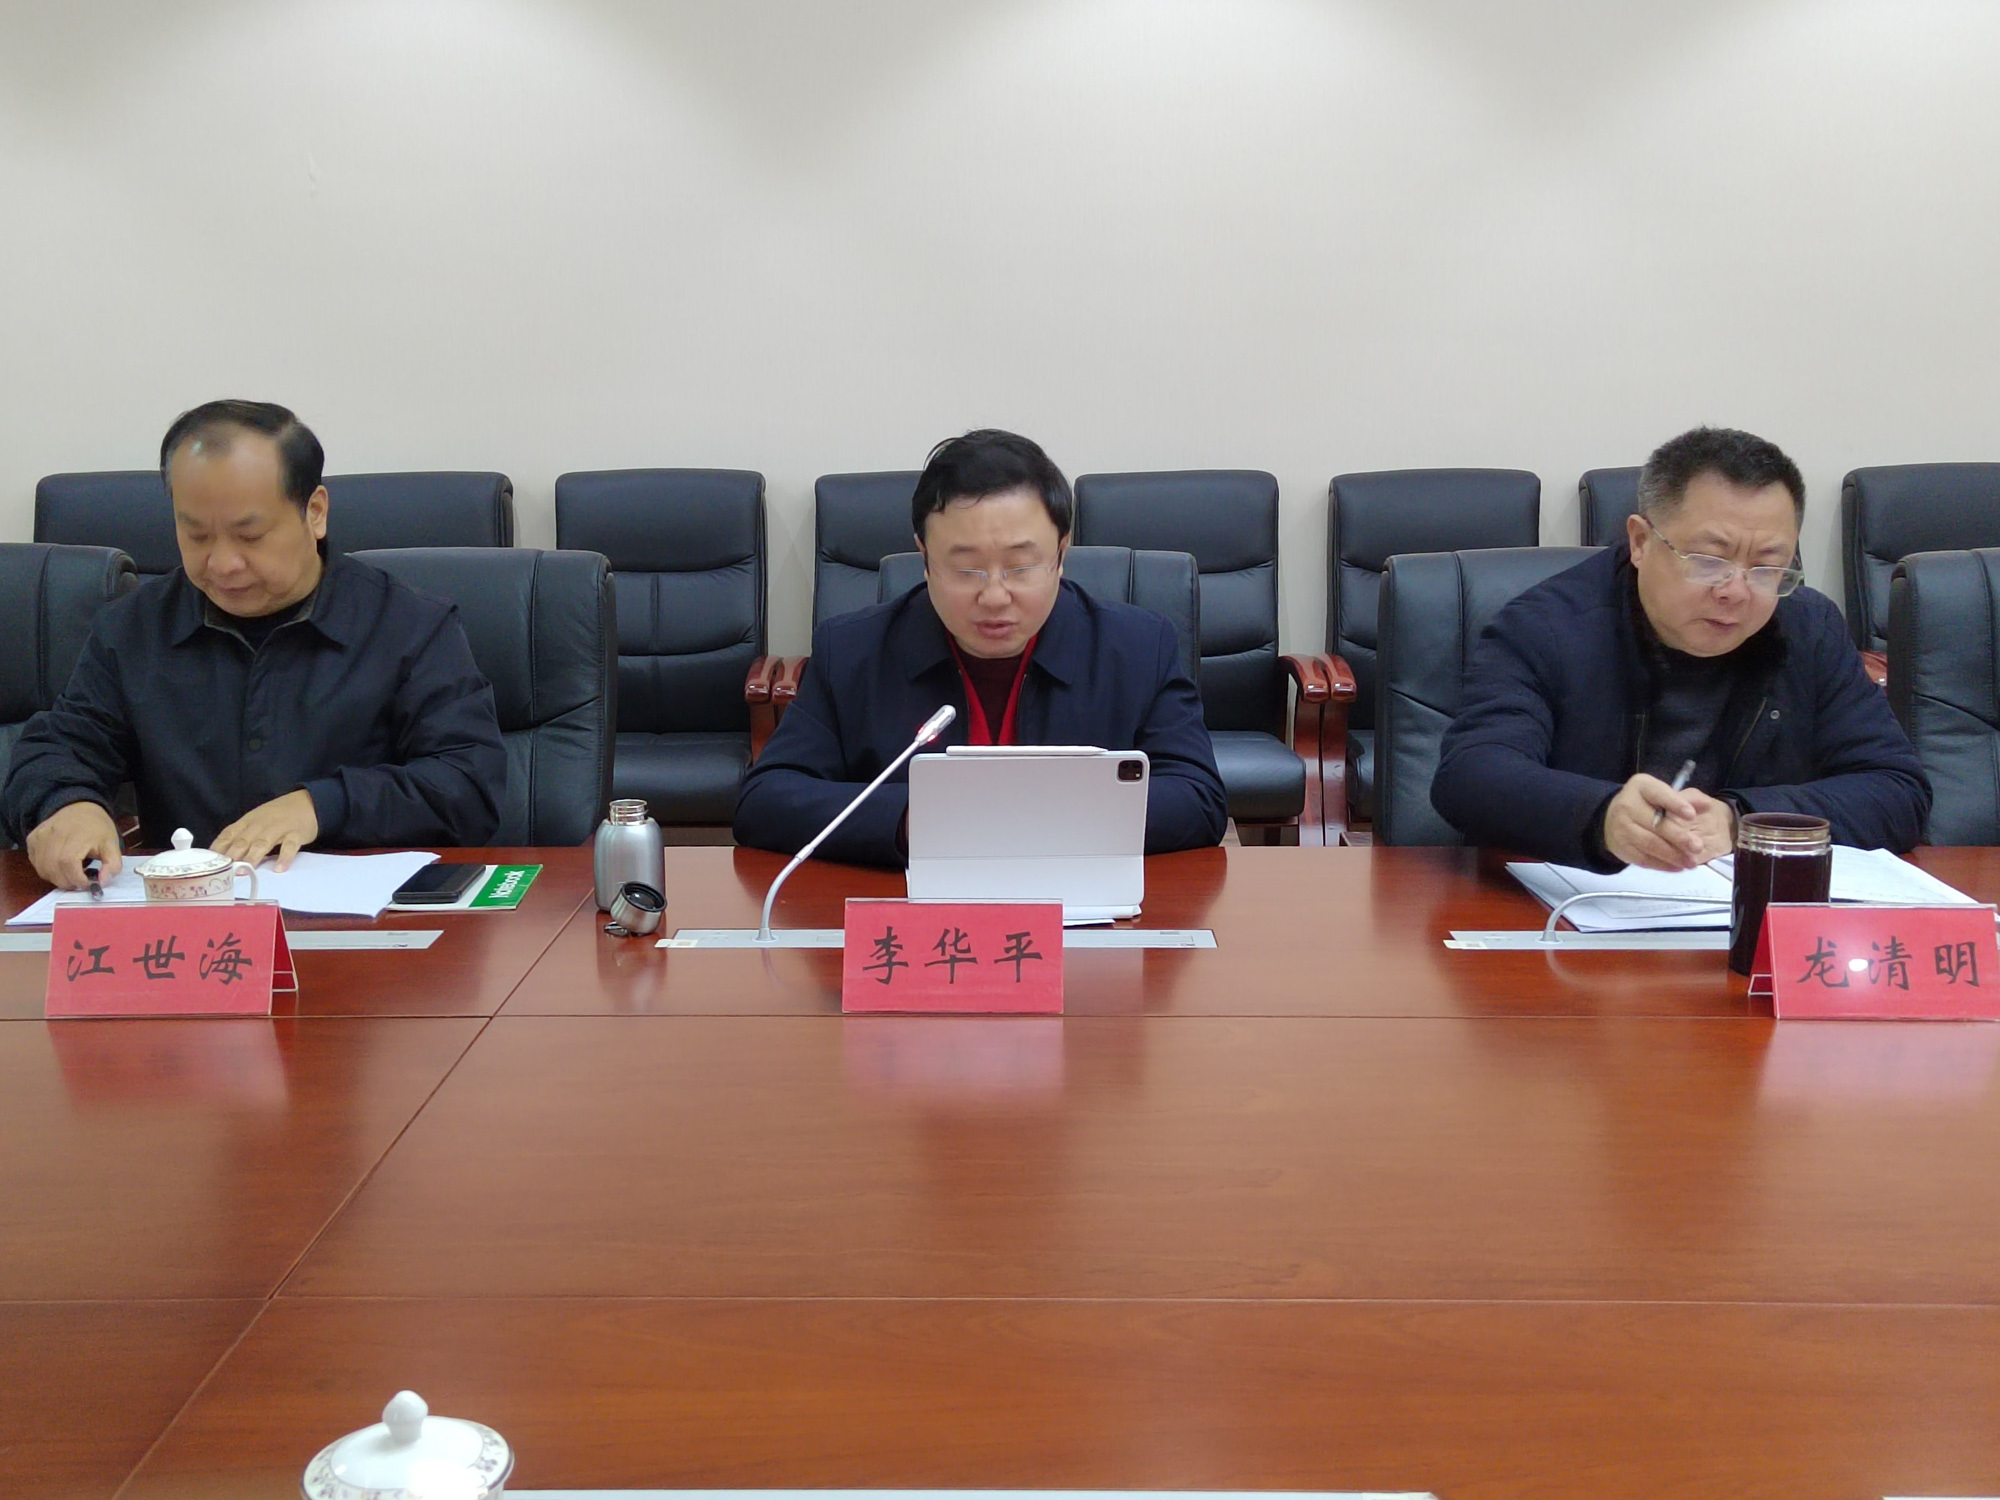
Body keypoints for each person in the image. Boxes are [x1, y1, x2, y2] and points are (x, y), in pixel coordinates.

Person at [3, 399, 506, 890]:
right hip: (188, 924)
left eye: (250, 536)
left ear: (314, 512)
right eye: (197, 536)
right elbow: (60, 747)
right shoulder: (133, 629)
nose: (222, 564)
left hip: (365, 922)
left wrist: (321, 806)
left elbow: (468, 784)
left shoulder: (410, 626)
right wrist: (67, 804)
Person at [1431, 425, 1930, 871]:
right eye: (1710, 561)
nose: (1736, 591)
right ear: (1641, 542)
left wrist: (1740, 819)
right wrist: (1603, 816)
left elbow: (1897, 790)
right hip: (1573, 917)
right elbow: (1471, 776)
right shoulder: (1545, 628)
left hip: (1744, 912)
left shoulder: (1809, 628)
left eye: (1767, 566)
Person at [734, 428, 1227, 866]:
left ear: (1061, 553)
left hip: (1080, 909)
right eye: (966, 569)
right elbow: (766, 801)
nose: (994, 596)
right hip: (917, 913)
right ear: (925, 557)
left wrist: (1027, 818)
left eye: (1020, 567)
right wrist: (916, 818)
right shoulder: (852, 652)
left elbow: (1198, 798)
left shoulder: (1139, 648)